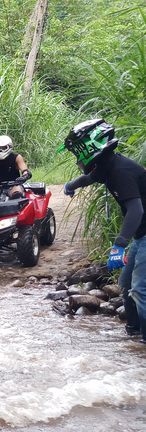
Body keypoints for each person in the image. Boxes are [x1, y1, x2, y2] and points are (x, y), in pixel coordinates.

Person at [60, 118, 146, 343]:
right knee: (126, 285)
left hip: (144, 235)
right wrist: (71, 185)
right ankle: (133, 334)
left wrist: (119, 245)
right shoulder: (107, 165)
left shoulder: (121, 171)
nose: (78, 159)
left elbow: (135, 210)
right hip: (141, 236)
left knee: (139, 289)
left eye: (78, 153)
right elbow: (90, 177)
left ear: (91, 147)